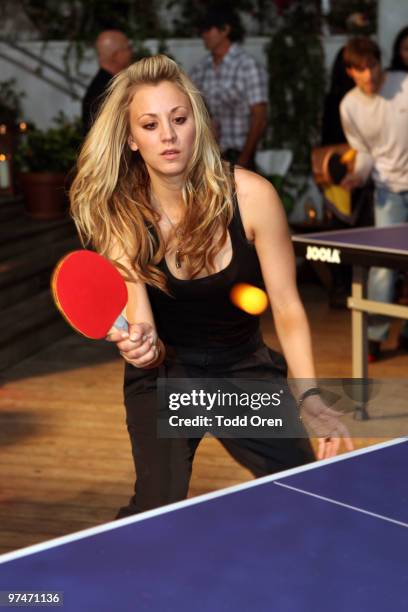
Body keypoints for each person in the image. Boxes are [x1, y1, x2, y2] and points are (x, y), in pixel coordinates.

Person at [70, 54, 352, 518]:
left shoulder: (253, 196)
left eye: (179, 118)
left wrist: (310, 396)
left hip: (241, 367)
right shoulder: (122, 218)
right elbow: (146, 333)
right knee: (156, 511)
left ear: (196, 122)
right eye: (150, 124)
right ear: (131, 139)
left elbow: (287, 306)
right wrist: (140, 346)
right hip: (168, 376)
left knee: (307, 490)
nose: (168, 135)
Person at [340, 37, 408, 360]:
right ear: (350, 71)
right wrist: (358, 175)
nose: (368, 75)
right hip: (387, 190)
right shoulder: (349, 107)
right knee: (383, 266)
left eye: (372, 66)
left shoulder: (404, 84)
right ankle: (374, 337)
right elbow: (364, 152)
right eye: (360, 69)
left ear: (381, 63)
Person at [190, 6, 267, 169]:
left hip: (241, 154)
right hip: (211, 157)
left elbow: (259, 117)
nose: (203, 35)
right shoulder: (200, 69)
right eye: (202, 30)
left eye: (208, 29)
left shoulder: (248, 66)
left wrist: (245, 157)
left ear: (225, 30)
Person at [82, 30, 133, 134]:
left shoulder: (108, 84)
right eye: (128, 48)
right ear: (116, 55)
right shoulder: (105, 90)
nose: (131, 52)